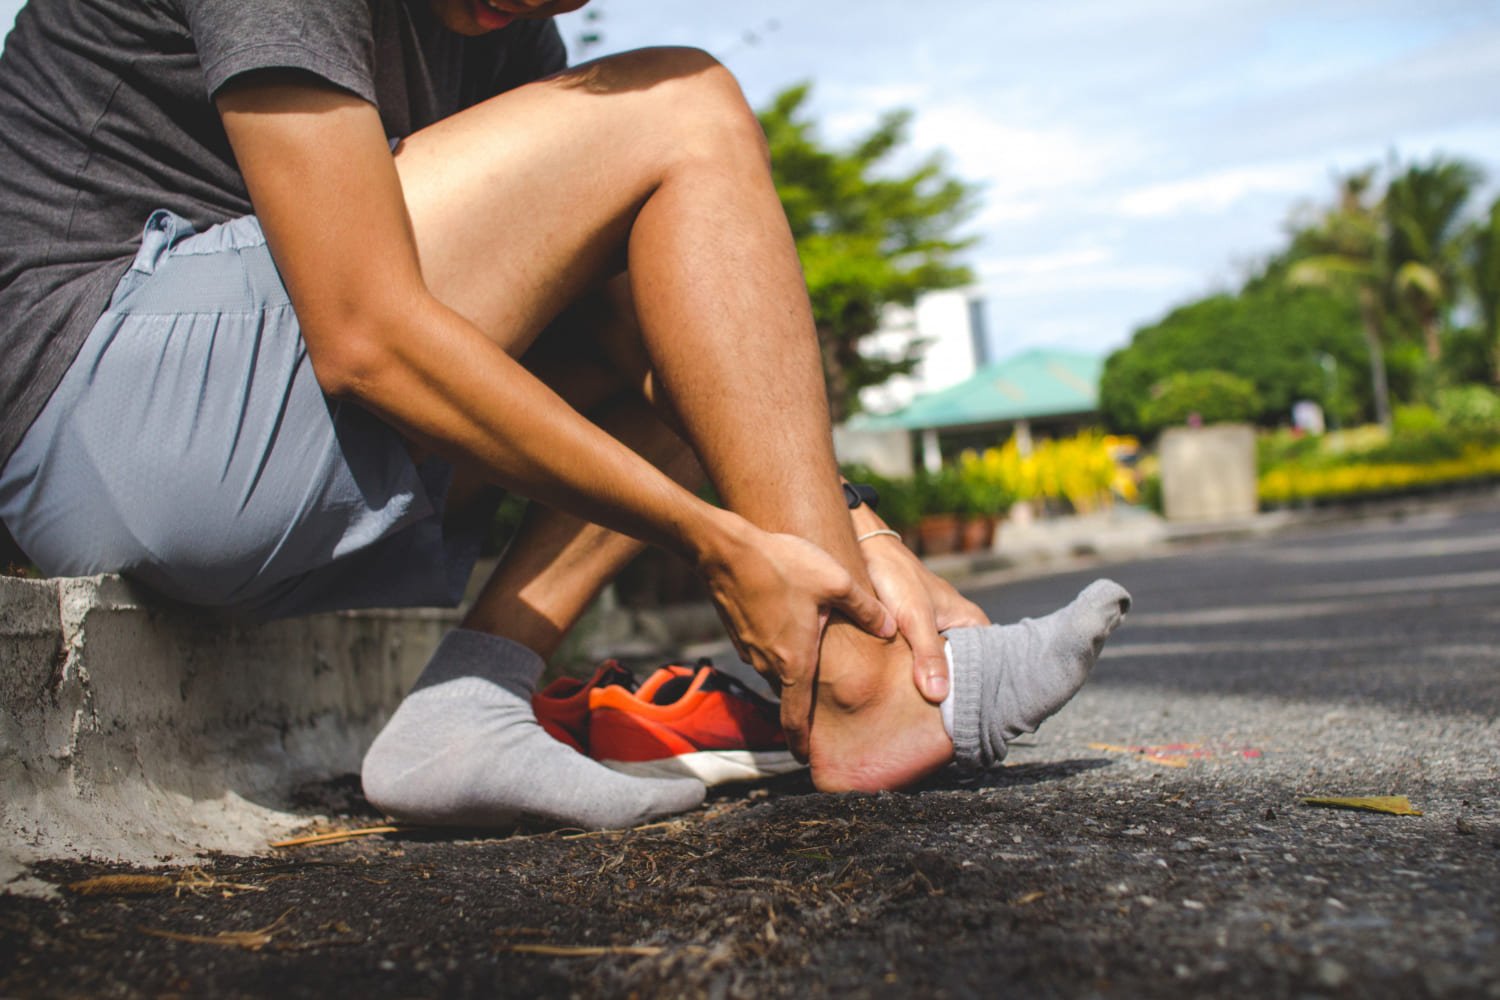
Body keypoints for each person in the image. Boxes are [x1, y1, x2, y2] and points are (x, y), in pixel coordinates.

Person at [0, 0, 1129, 830]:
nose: (541, 7)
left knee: (678, 313)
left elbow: (693, 353)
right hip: (94, 395)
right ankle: (856, 686)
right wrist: (716, 541)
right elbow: (364, 331)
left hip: (239, 437)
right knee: (684, 108)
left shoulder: (506, 27)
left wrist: (855, 531)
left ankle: (478, 694)